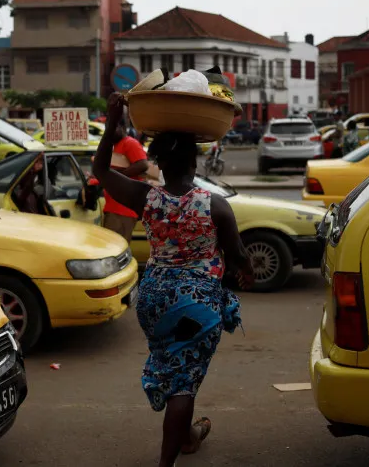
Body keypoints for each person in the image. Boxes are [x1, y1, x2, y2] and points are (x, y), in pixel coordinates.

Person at [92, 93, 254, 467]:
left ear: (161, 164)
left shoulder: (146, 198)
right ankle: (168, 461)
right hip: (196, 304)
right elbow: (240, 256)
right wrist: (245, 274)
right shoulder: (216, 205)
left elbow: (100, 170)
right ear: (194, 164)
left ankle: (191, 436)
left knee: (177, 366)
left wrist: (112, 117)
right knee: (184, 381)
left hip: (153, 301)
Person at [100, 117, 149, 243]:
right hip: (114, 209)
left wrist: (118, 176)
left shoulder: (129, 143)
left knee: (115, 250)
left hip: (122, 211)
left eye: (113, 127)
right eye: (108, 128)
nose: (109, 131)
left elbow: (143, 164)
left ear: (122, 128)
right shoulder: (115, 146)